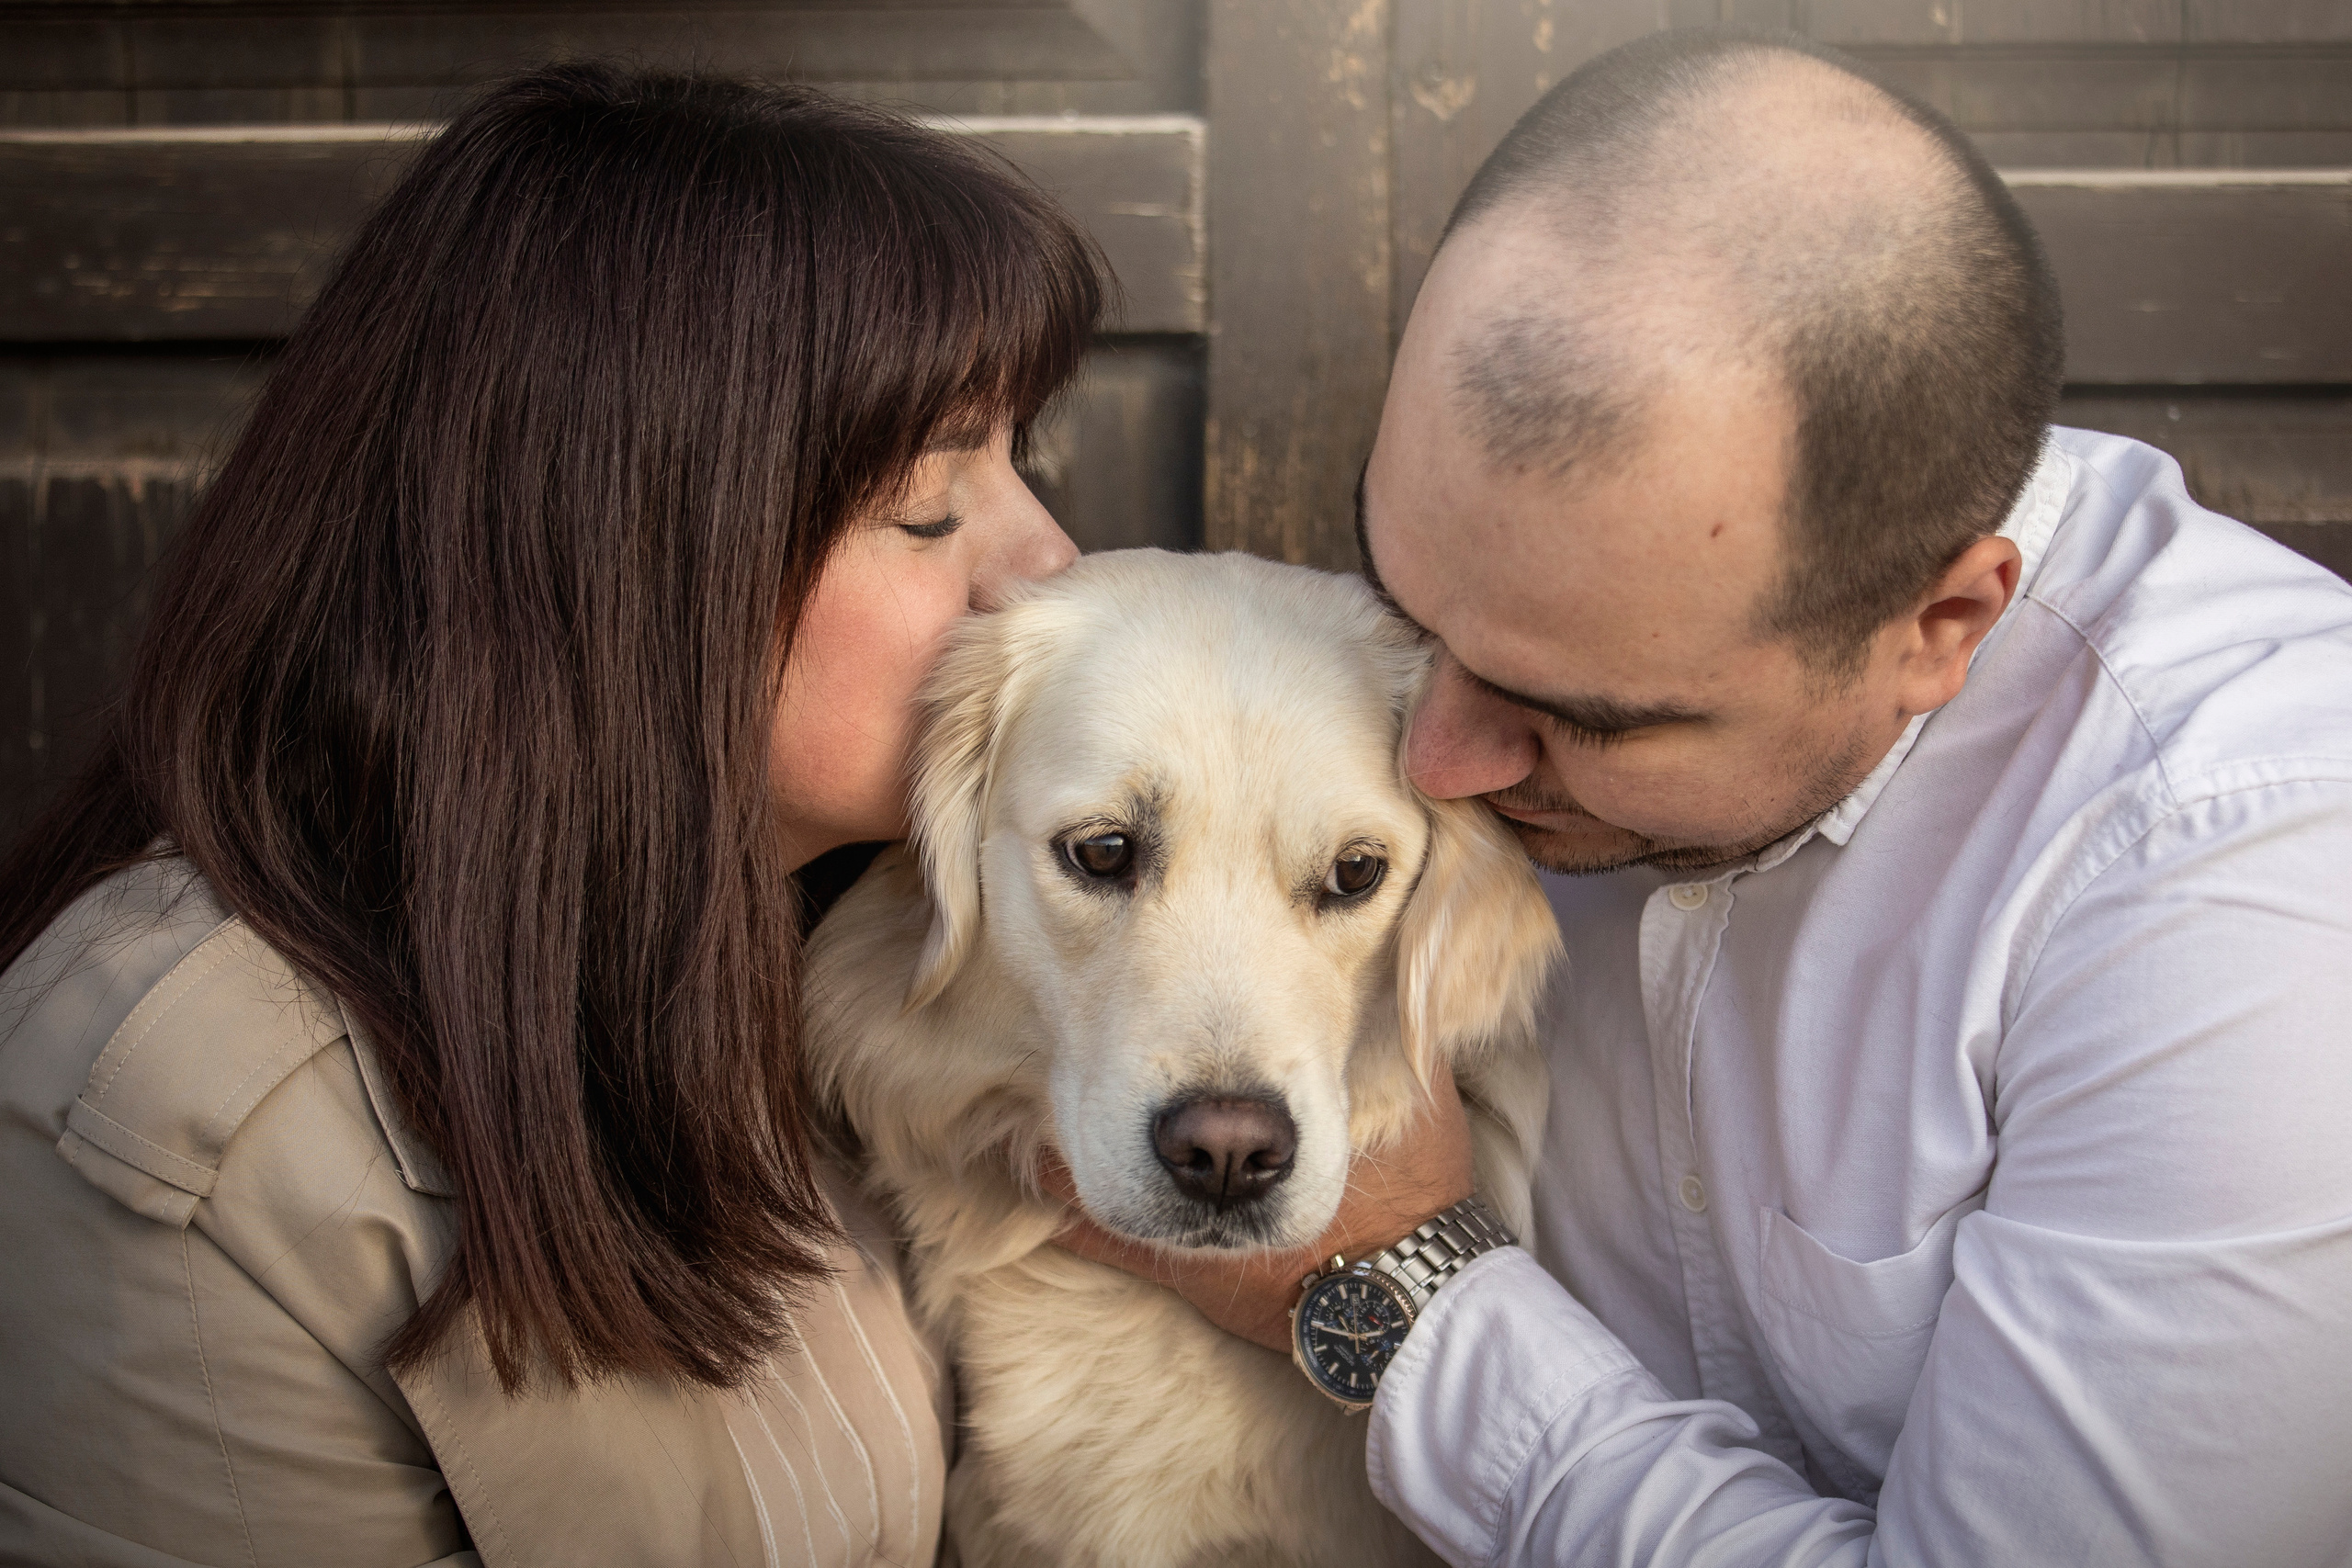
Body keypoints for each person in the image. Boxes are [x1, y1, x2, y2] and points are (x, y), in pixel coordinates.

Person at [1057, 26, 2352, 1563]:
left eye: (1579, 718)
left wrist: (1405, 1291)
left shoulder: (2248, 878)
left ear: (1939, 630)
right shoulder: (1576, 614)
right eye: (1413, 611)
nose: (1440, 763)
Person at [0, 63, 1099, 1567]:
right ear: (621, 551)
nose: (1052, 566)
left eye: (1019, 462)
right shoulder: (183, 1116)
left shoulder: (838, 949)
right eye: (928, 504)